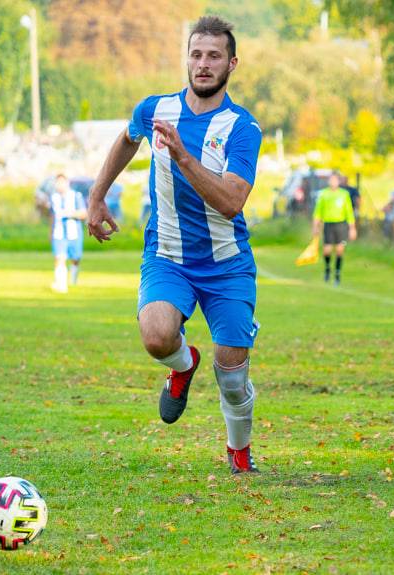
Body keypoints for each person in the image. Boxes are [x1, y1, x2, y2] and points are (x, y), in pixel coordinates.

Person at [86, 16, 263, 474]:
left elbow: (231, 201)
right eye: (196, 54)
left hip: (226, 264)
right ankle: (183, 365)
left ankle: (239, 452)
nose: (203, 64)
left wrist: (183, 155)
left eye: (214, 56)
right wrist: (97, 196)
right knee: (156, 335)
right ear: (187, 58)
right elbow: (127, 139)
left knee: (232, 375)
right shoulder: (156, 109)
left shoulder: (243, 128)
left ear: (232, 64)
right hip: (168, 255)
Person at [312, 173, 357, 285]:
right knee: (327, 250)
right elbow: (318, 212)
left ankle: (337, 273)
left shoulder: (344, 194)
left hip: (341, 225)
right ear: (329, 181)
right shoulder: (324, 194)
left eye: (335, 180)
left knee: (339, 250)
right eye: (331, 180)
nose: (333, 182)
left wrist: (352, 228)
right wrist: (315, 227)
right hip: (328, 225)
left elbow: (349, 212)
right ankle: (327, 268)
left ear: (338, 182)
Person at [49, 174, 87, 293]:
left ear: (67, 183)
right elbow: (52, 216)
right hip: (59, 233)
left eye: (62, 182)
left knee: (75, 259)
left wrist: (69, 213)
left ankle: (73, 280)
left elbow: (83, 214)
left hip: (74, 233)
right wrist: (50, 232)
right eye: (57, 182)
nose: (59, 185)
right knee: (60, 258)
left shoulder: (76, 196)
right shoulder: (53, 197)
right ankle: (61, 285)